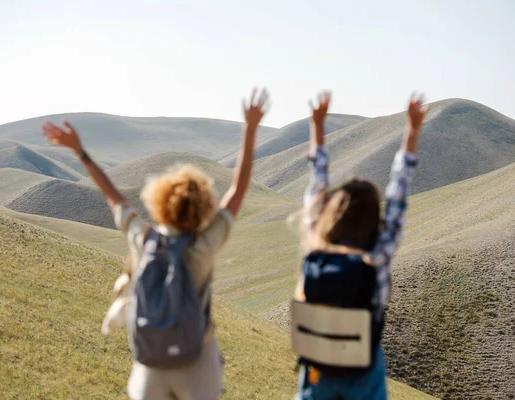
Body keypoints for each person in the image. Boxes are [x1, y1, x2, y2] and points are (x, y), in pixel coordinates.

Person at [40, 88, 270, 400]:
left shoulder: (143, 240)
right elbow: (237, 192)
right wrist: (250, 129)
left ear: (159, 201)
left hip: (151, 365)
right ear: (204, 208)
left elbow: (113, 196)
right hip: (197, 363)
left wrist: (80, 151)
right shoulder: (202, 247)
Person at [292, 91, 428, 400]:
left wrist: (317, 125)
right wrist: (412, 129)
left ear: (330, 214)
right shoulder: (376, 257)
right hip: (363, 368)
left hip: (318, 365)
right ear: (373, 219)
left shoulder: (317, 246)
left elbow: (316, 184)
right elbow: (398, 191)